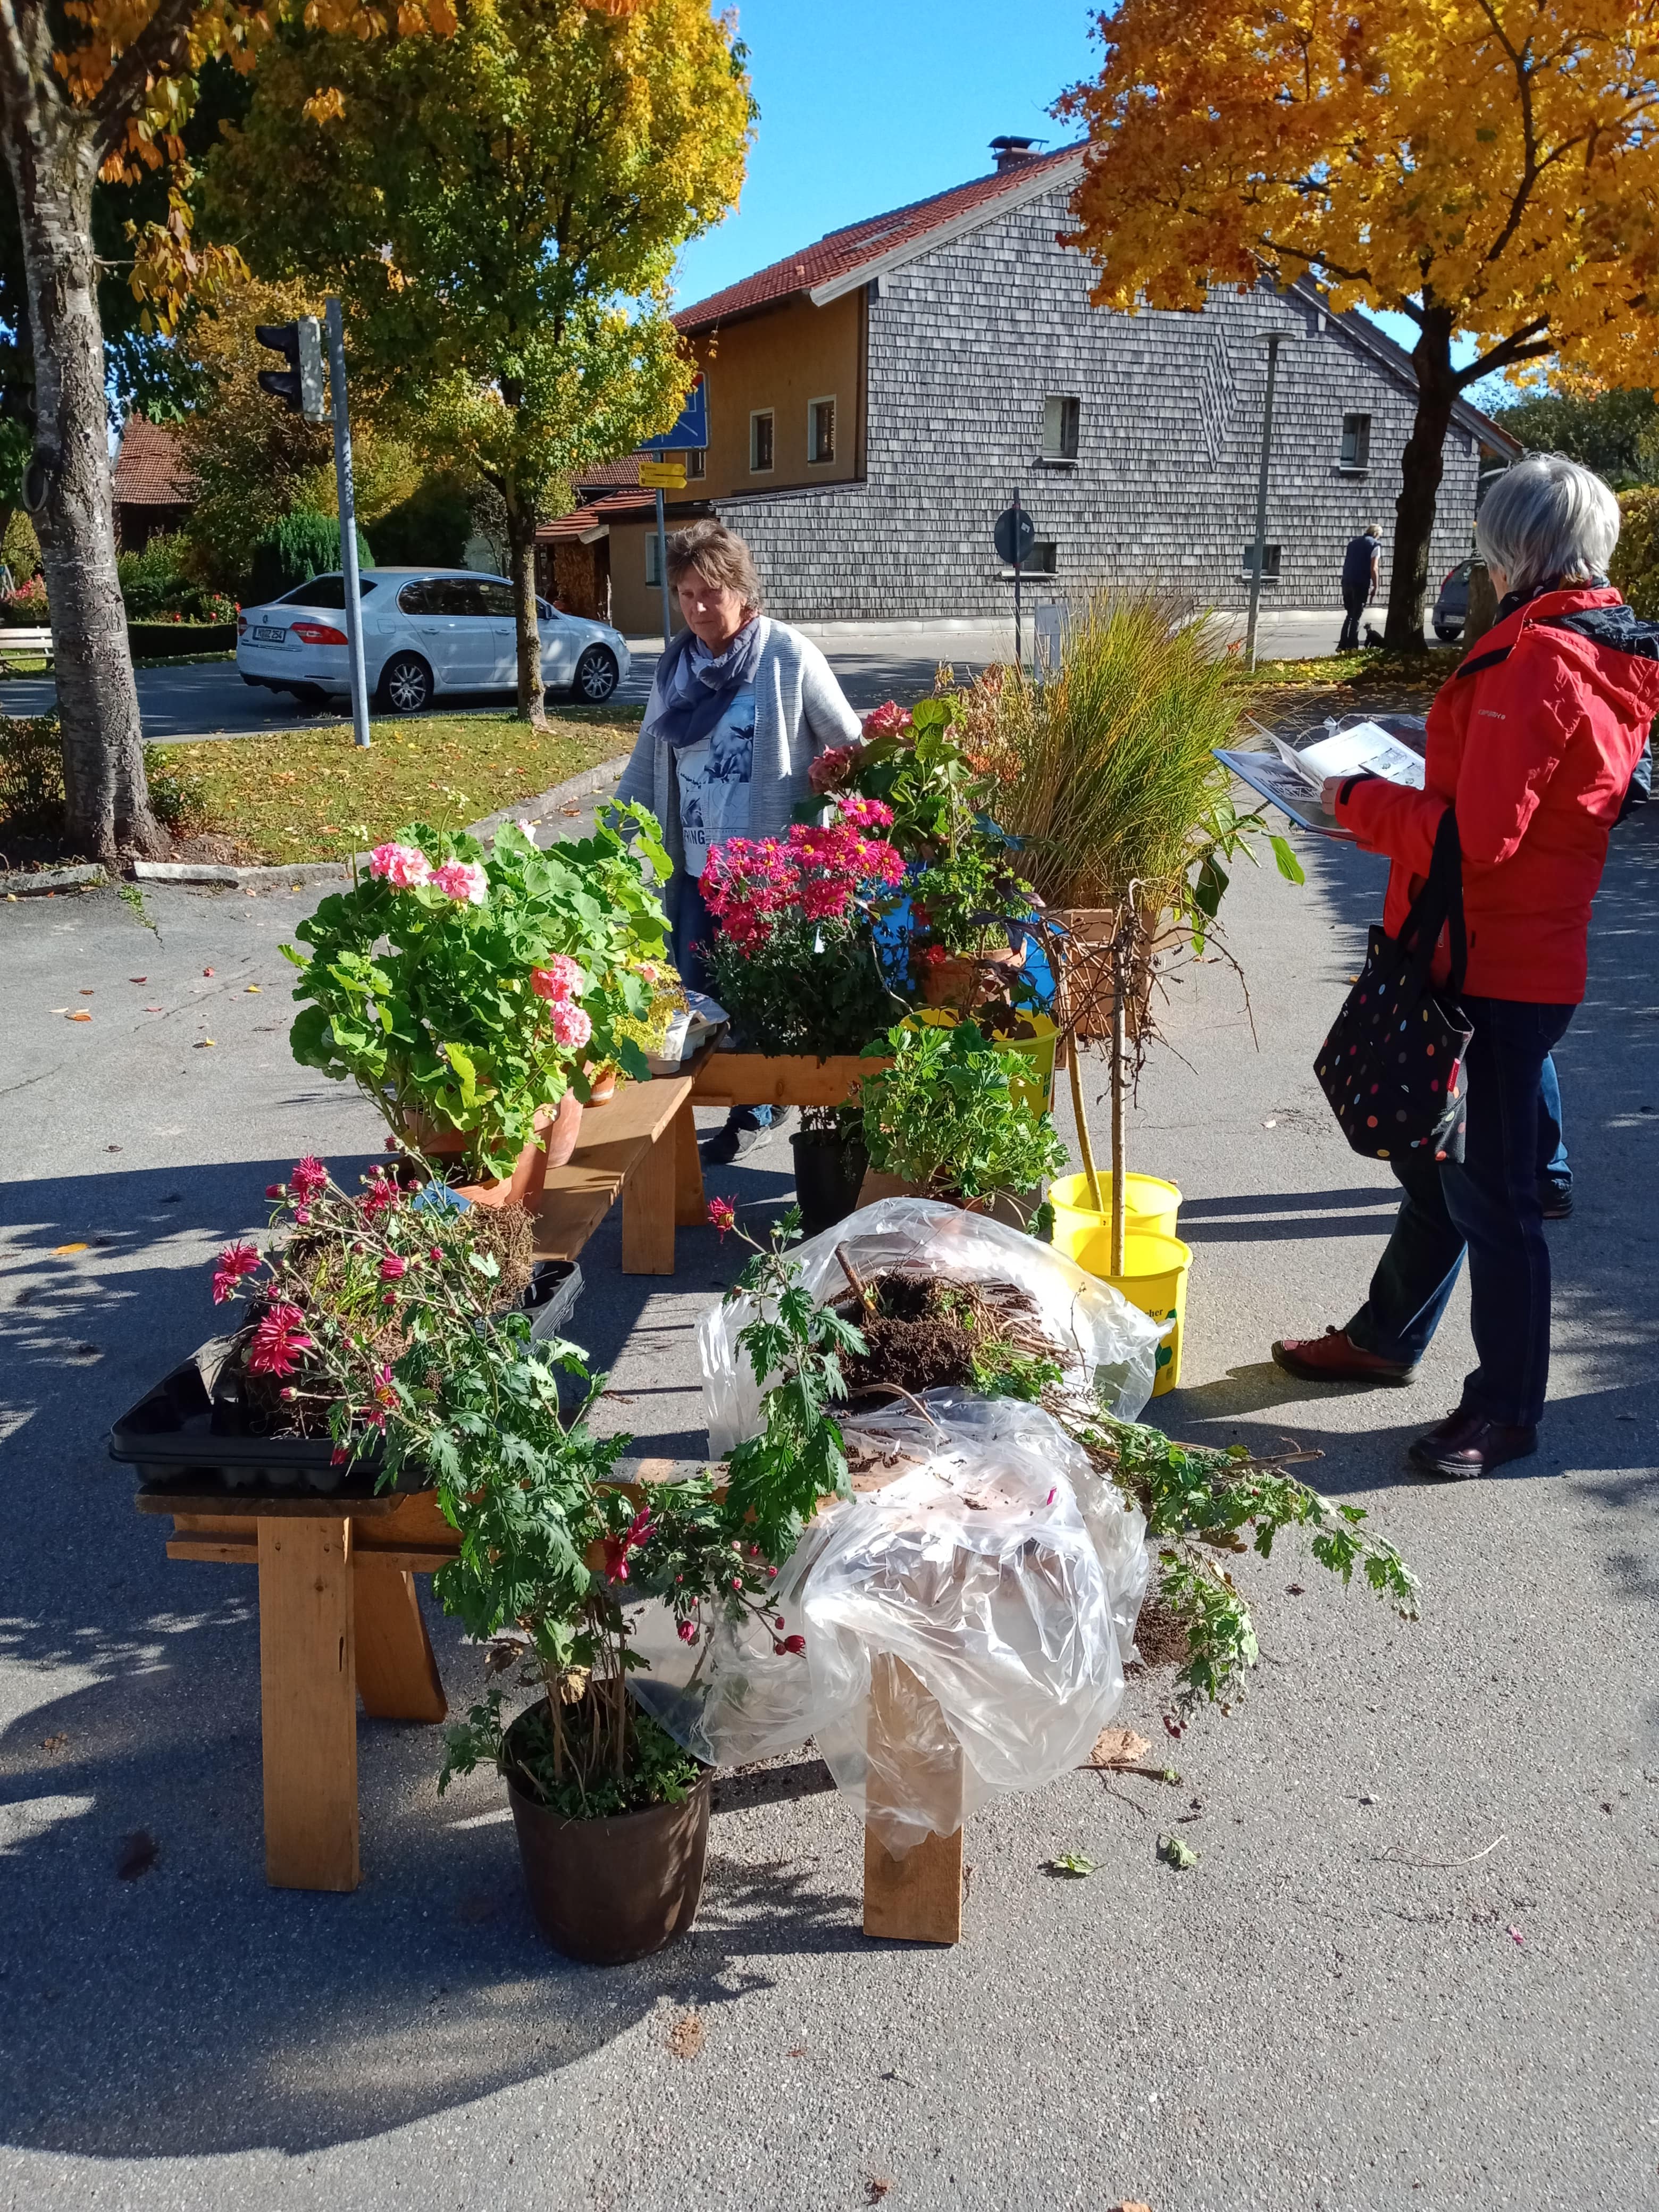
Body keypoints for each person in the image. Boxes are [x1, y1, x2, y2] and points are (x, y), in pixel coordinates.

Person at [1274, 455, 1659, 1478]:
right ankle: (1387, 1340)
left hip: (1484, 959)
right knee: (1448, 1173)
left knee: (1490, 1197)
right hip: (1527, 949)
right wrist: (1425, 744)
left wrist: (1349, 803)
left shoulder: (1534, 656)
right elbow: (1546, 787)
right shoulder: (1604, 642)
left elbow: (1477, 837)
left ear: (1510, 548)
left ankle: (1505, 1411)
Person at [614, 520, 862, 1164]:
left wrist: (838, 817)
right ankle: (696, 1107)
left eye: (710, 593)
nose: (697, 607)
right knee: (697, 992)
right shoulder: (676, 667)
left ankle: (756, 1106)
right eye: (685, 594)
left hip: (766, 871)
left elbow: (850, 744)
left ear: (741, 590)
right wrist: (608, 842)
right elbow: (648, 759)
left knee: (759, 992)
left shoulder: (787, 655)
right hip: (695, 861)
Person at [1338, 521, 1383, 652]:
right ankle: (1352, 646)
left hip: (1347, 581)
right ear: (1376, 534)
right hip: (1360, 582)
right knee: (1357, 615)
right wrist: (1376, 586)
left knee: (1350, 614)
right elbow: (1374, 568)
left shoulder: (1352, 544)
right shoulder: (1375, 545)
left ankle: (1342, 644)